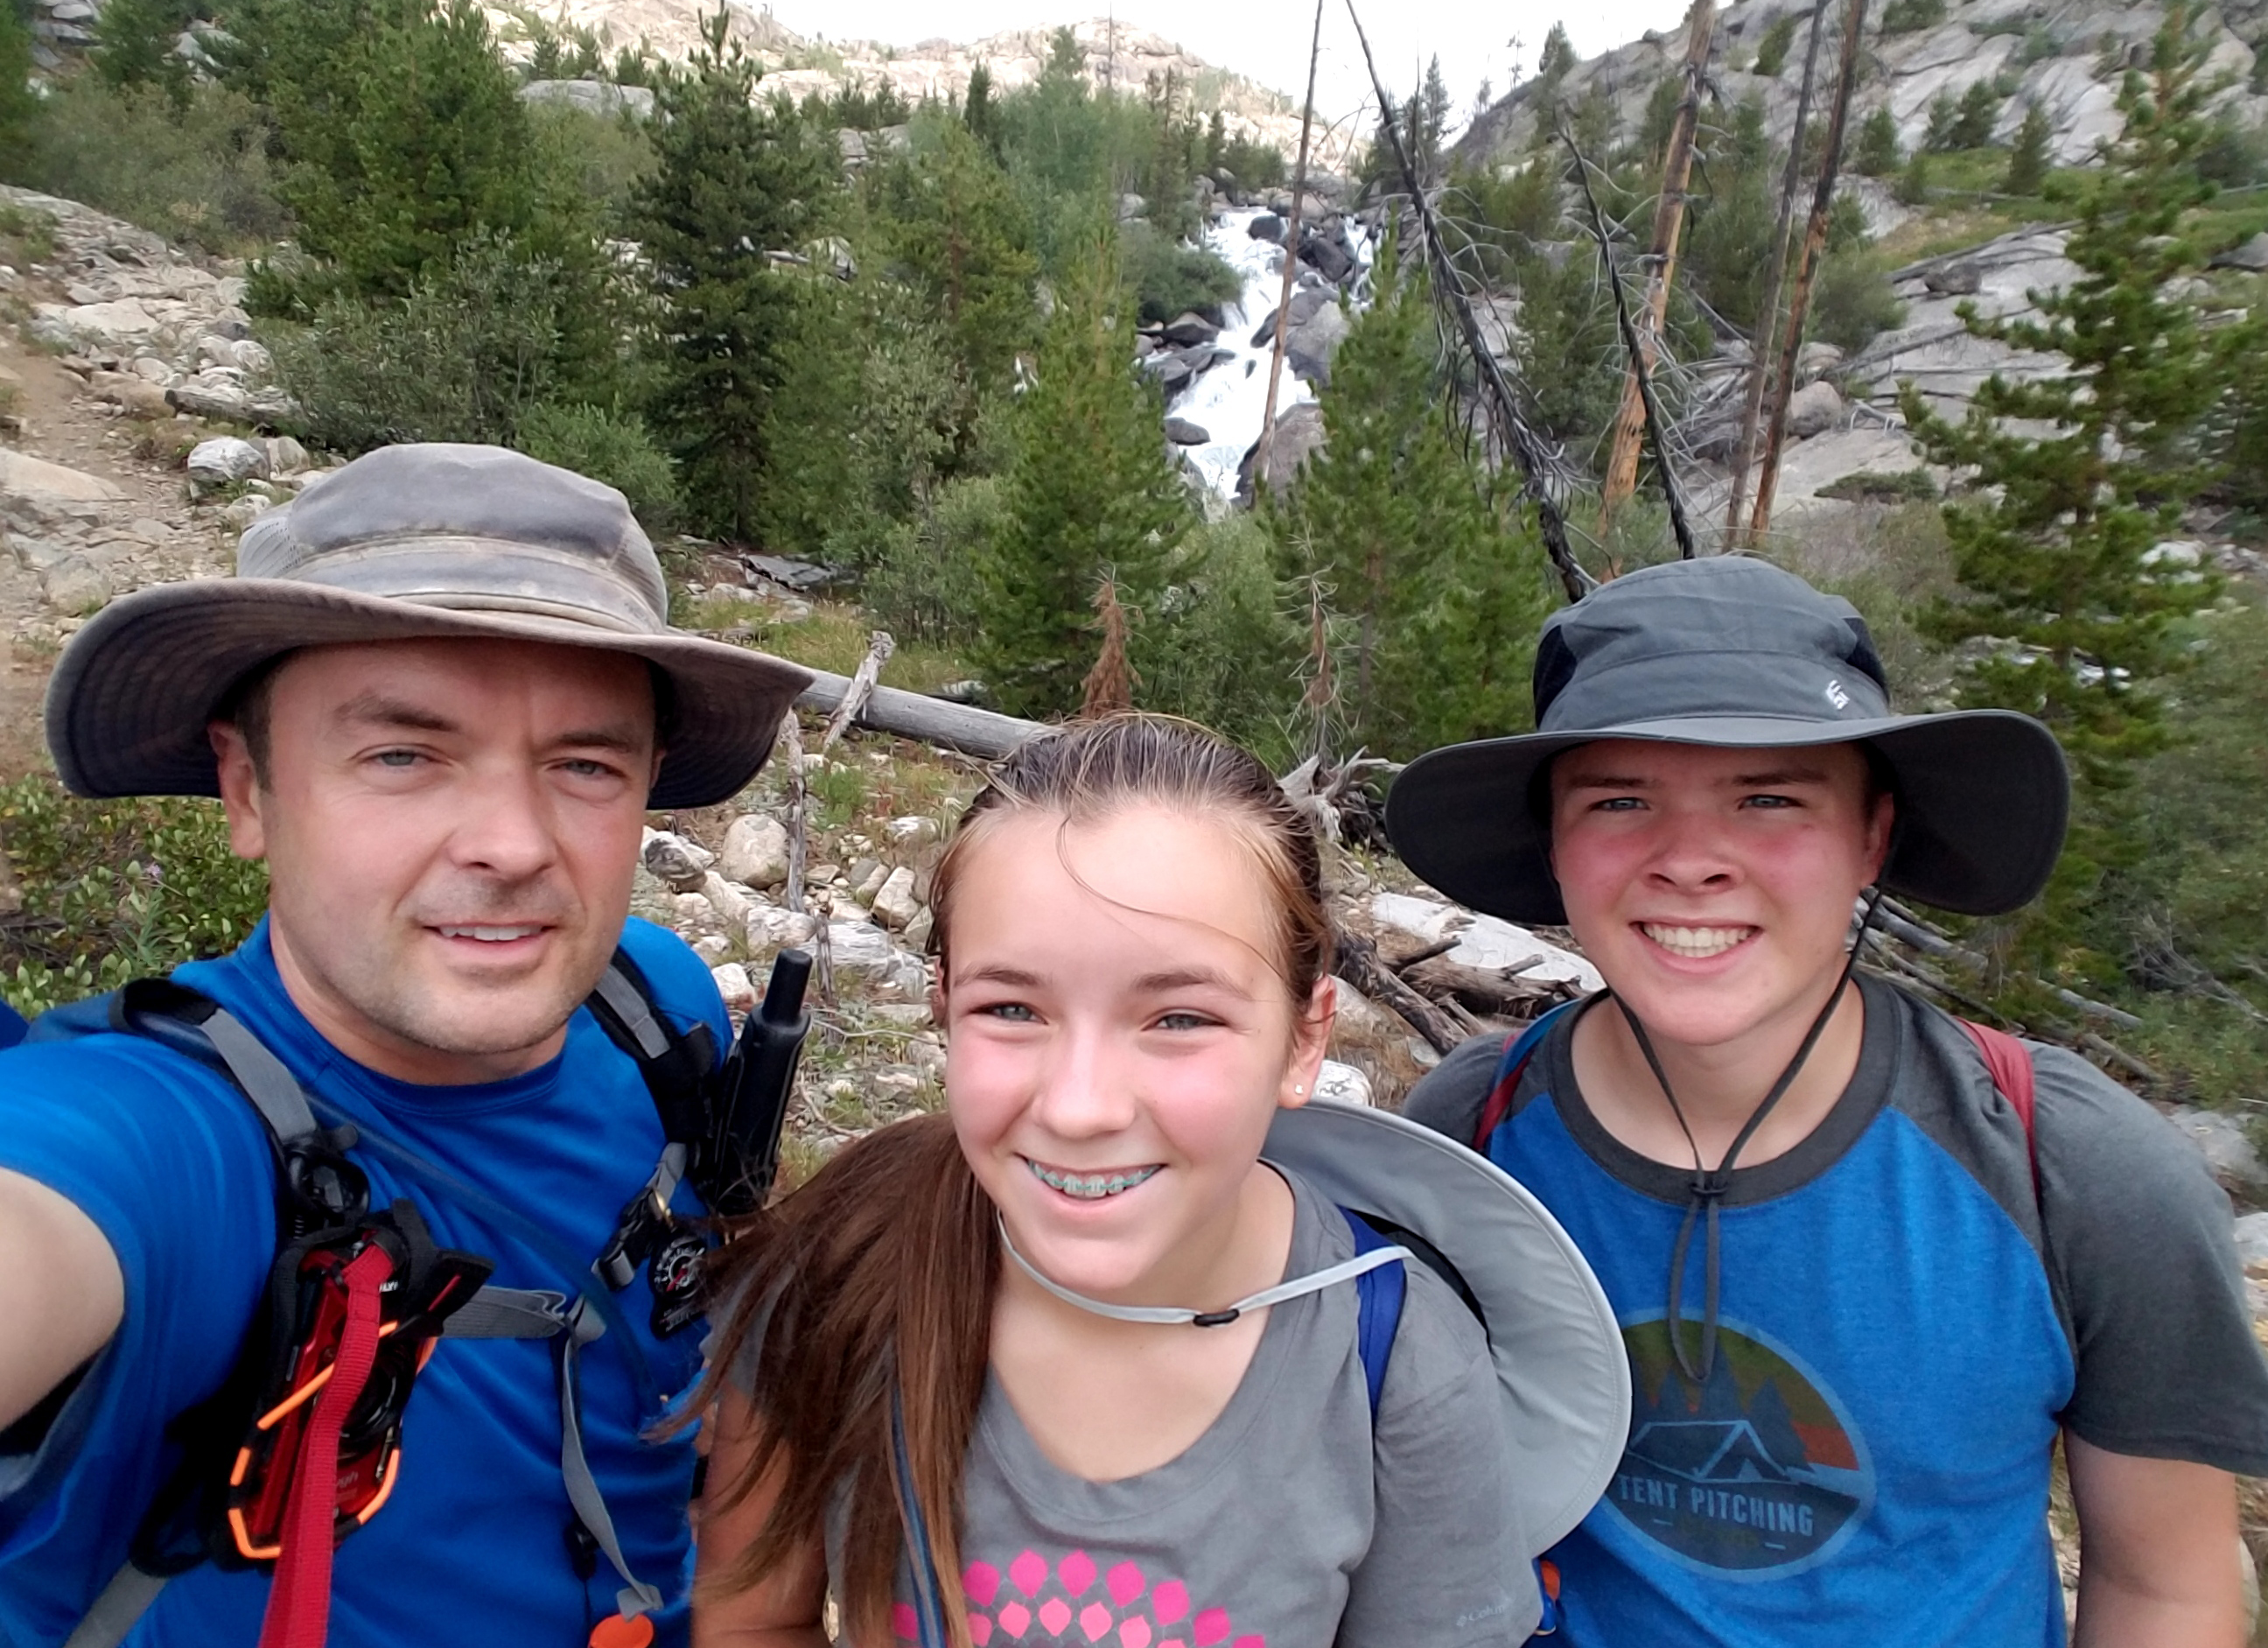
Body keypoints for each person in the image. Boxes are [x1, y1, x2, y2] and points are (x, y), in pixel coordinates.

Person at [0, 444, 812, 1648]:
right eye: (403, 755)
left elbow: (730, 1324)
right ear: (248, 789)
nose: (512, 843)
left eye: (584, 764)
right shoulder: (146, 1135)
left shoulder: (654, 1005)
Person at [1390, 554, 2268, 1647]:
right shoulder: (1465, 1142)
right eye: (1620, 800)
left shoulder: (2075, 1174)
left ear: (1873, 837)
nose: (1692, 861)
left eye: (1769, 798)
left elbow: (2165, 1590)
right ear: (1556, 845)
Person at [692, 713, 1618, 1648]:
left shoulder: (1390, 1360)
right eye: (1012, 1008)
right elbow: (752, 1616)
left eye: (1178, 1018)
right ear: (943, 1008)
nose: (1081, 1106)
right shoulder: (847, 1261)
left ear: (1306, 1038)